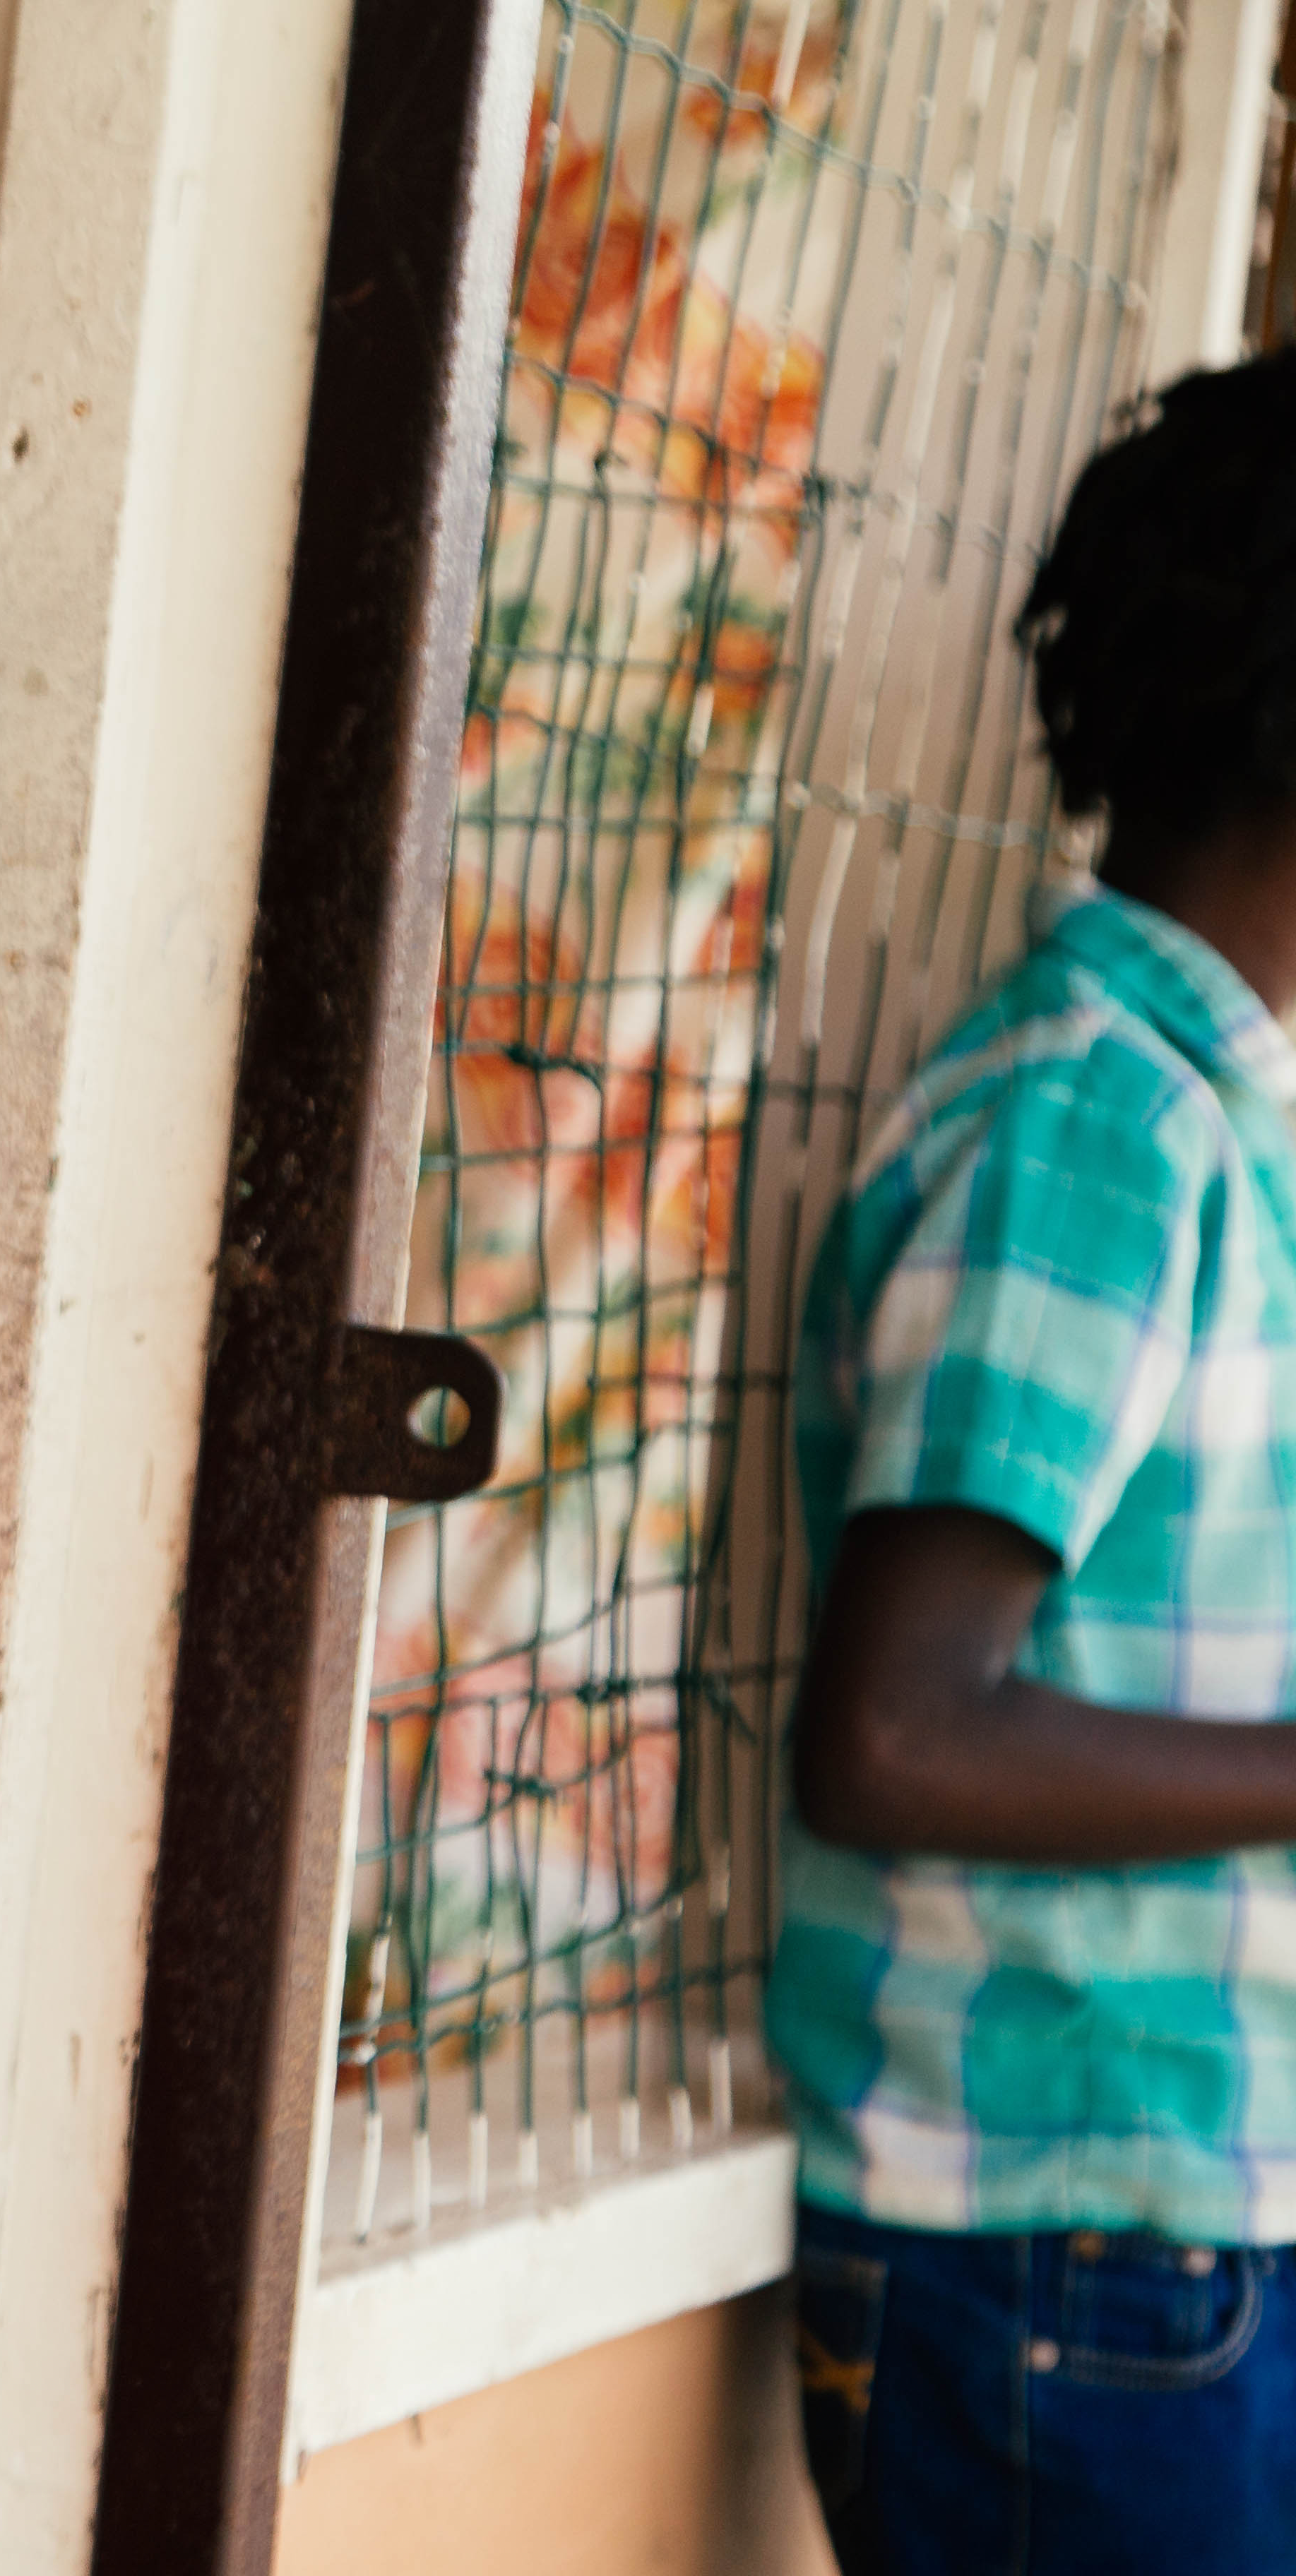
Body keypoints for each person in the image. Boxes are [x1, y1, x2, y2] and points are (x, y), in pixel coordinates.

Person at [775, 349, 1296, 2575]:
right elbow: (899, 1735)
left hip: (1176, 2234)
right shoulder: (1099, 1123)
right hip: (1065, 2267)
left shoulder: (1221, 1125)